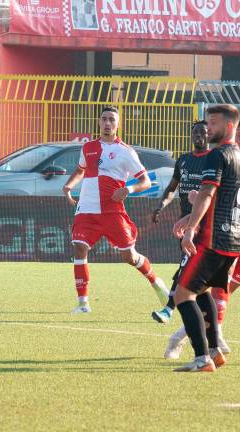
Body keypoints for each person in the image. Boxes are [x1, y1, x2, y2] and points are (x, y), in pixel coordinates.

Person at [164, 117, 240, 359]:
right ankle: (208, 342)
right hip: (235, 233)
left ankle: (189, 338)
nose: (237, 142)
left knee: (217, 290)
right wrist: (191, 219)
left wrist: (195, 204)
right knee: (212, 290)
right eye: (236, 136)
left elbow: (226, 193)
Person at [62, 106, 168, 314]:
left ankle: (157, 284)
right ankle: (83, 303)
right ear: (99, 122)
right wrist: (69, 185)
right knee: (79, 247)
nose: (107, 123)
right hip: (86, 209)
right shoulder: (88, 147)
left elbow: (145, 181)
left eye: (112, 119)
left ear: (118, 124)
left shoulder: (125, 151)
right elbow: (80, 169)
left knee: (129, 256)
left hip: (112, 211)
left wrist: (128, 189)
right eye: (104, 119)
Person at [170, 104, 240, 372]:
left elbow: (206, 193)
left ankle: (201, 358)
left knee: (182, 294)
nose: (208, 128)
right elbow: (221, 197)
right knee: (202, 291)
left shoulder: (217, 155)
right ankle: (215, 351)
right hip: (234, 240)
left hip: (213, 239)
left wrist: (191, 228)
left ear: (229, 126)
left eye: (213, 123)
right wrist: (189, 217)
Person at [150, 121, 209, 324]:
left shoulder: (213, 160)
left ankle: (168, 309)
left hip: (205, 225)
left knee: (186, 268)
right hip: (185, 226)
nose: (198, 136)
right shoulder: (184, 160)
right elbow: (172, 187)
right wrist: (161, 206)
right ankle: (207, 321)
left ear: (210, 136)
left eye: (203, 132)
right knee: (191, 271)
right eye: (195, 132)